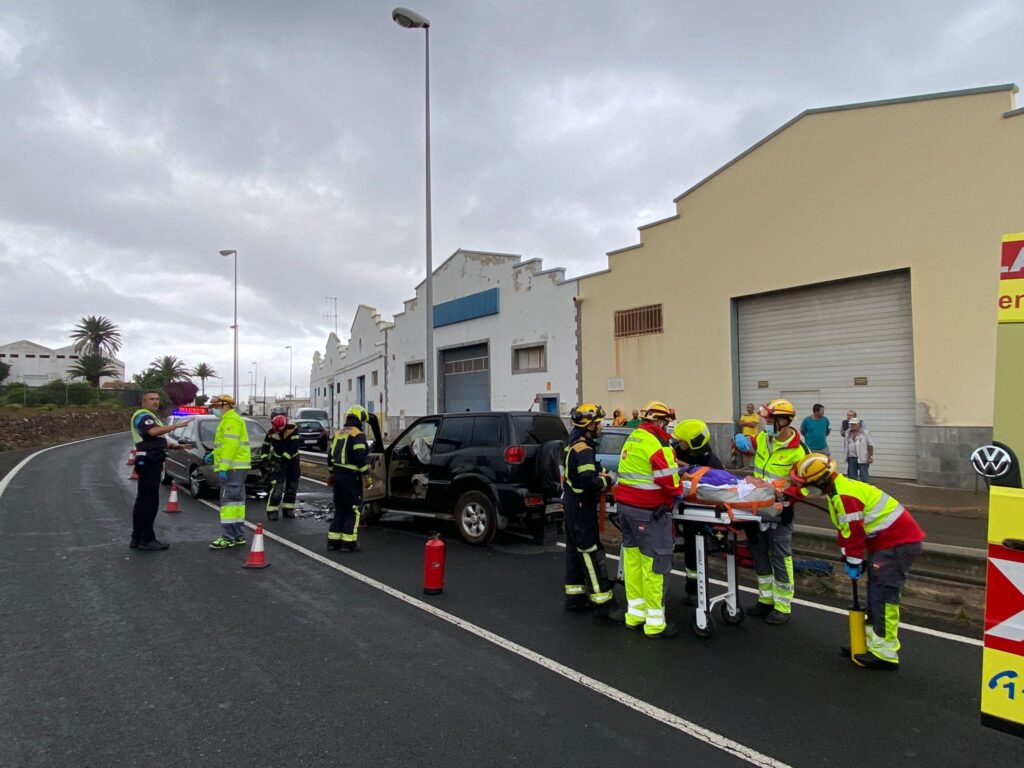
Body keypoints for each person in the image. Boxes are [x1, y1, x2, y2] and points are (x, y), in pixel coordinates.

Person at [790, 453, 925, 670]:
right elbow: (846, 531)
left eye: (810, 484)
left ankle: (885, 655)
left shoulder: (844, 496)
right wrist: (850, 558)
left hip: (897, 545)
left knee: (883, 598)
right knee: (874, 595)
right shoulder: (838, 490)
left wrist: (853, 561)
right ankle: (870, 645)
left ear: (820, 481)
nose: (810, 489)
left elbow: (854, 533)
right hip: (887, 545)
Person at [615, 400, 682, 637]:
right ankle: (655, 623)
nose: (667, 427)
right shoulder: (658, 444)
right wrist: (680, 478)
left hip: (625, 509)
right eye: (665, 422)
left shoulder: (633, 437)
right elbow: (672, 484)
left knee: (632, 563)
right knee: (655, 565)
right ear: (659, 421)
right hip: (649, 513)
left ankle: (635, 615)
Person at [748, 398, 808, 624]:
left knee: (781, 557)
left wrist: (786, 499)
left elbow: (803, 487)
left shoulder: (798, 451)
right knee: (759, 554)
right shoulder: (764, 439)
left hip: (780, 510)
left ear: (783, 421)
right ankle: (765, 600)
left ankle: (782, 605)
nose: (765, 423)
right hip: (755, 509)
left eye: (769, 419)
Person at [562, 403, 622, 621]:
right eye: (598, 423)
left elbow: (583, 473)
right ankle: (603, 603)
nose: (601, 427)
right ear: (589, 425)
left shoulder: (575, 445)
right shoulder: (584, 449)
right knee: (589, 551)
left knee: (574, 551)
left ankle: (575, 597)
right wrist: (608, 479)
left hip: (572, 504)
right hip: (581, 506)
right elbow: (589, 481)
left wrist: (600, 473)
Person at [129, 391, 193, 550]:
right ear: (143, 401)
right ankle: (146, 539)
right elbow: (153, 432)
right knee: (149, 502)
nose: (155, 402)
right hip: (149, 460)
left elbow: (154, 439)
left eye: (157, 399)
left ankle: (137, 537)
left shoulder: (149, 415)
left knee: (144, 501)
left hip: (151, 459)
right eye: (151, 399)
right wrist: (177, 425)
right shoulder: (143, 415)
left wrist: (174, 445)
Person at [672, 419, 724, 604]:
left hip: (699, 513)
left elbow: (718, 484)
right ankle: (690, 587)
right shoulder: (676, 451)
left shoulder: (711, 461)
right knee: (684, 546)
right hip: (678, 509)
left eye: (682, 440)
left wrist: (690, 471)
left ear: (693, 443)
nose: (679, 443)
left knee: (694, 549)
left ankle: (695, 590)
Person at [206, 394, 251, 550]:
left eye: (217, 407)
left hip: (232, 467)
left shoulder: (230, 421)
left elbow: (230, 446)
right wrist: (214, 454)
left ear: (226, 406)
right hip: (238, 466)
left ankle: (228, 537)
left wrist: (223, 466)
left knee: (229, 502)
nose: (215, 410)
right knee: (238, 502)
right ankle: (238, 535)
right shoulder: (233, 419)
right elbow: (226, 445)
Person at [327, 405, 371, 552]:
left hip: (338, 475)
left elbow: (330, 458)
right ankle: (348, 542)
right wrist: (366, 475)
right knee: (353, 509)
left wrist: (332, 473)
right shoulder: (357, 435)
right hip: (351, 477)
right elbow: (360, 458)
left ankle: (333, 542)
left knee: (340, 509)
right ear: (359, 419)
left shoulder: (339, 433)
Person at [259, 409, 302, 521]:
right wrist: (264, 459)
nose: (278, 431)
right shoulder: (271, 431)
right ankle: (272, 510)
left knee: (292, 486)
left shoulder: (293, 429)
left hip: (292, 461)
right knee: (277, 487)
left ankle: (288, 509)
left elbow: (294, 446)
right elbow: (265, 445)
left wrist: (283, 458)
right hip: (278, 461)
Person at [736, 403, 760, 468]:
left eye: (751, 407)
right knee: (745, 451)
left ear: (753, 408)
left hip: (753, 436)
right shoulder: (744, 415)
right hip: (745, 435)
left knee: (755, 451)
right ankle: (746, 466)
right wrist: (749, 423)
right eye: (748, 407)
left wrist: (745, 423)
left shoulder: (756, 415)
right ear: (746, 408)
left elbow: (753, 425)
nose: (749, 409)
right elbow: (740, 423)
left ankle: (757, 466)